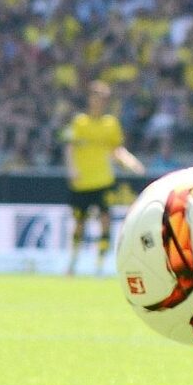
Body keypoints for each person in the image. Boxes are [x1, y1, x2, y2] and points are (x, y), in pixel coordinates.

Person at [66, 80, 146, 275]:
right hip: (82, 181)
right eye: (97, 97)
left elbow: (116, 150)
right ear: (90, 99)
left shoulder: (111, 124)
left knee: (105, 220)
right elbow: (70, 147)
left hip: (103, 180)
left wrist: (132, 163)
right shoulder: (80, 122)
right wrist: (72, 169)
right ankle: (73, 262)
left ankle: (100, 265)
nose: (99, 102)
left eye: (103, 98)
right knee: (79, 223)